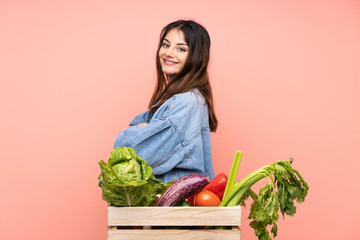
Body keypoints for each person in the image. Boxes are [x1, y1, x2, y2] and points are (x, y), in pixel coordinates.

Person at [113, 20, 218, 183]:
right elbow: (138, 131)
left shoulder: (188, 101)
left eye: (181, 49)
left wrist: (137, 133)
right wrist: (141, 130)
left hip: (173, 203)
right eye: (165, 45)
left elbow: (136, 153)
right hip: (168, 203)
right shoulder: (175, 98)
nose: (168, 53)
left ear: (196, 56)